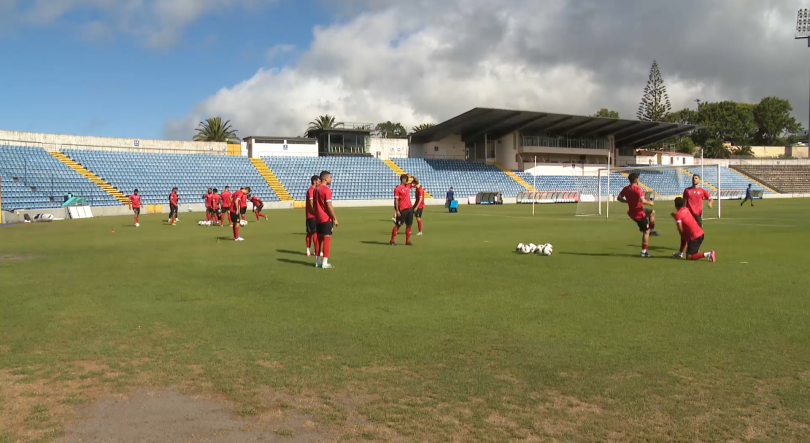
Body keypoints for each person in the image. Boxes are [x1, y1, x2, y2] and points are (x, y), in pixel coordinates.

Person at [617, 173, 657, 257]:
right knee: (646, 231)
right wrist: (650, 202)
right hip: (639, 214)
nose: (639, 180)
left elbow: (619, 198)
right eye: (638, 178)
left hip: (633, 211)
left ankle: (652, 231)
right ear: (636, 180)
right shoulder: (638, 189)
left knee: (652, 212)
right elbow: (643, 201)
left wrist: (627, 201)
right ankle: (643, 252)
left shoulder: (626, 189)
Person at [674, 175, 714, 258]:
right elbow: (683, 202)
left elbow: (710, 198)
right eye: (693, 178)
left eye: (696, 178)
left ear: (699, 180)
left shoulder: (702, 191)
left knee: (697, 234)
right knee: (684, 234)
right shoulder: (687, 190)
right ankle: (680, 252)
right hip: (688, 216)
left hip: (697, 215)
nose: (694, 180)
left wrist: (710, 203)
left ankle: (695, 250)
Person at [672, 197, 716, 262]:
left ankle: (709, 254)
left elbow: (679, 227)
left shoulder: (678, 214)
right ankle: (680, 253)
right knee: (684, 236)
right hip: (700, 234)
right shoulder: (686, 209)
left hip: (695, 237)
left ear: (675, 205)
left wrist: (682, 233)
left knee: (689, 257)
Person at [313, 171, 338, 269]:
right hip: (325, 218)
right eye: (330, 177)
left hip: (317, 218)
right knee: (327, 239)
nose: (331, 179)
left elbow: (314, 205)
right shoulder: (326, 190)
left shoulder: (316, 190)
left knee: (319, 240)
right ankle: (325, 262)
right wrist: (335, 218)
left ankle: (317, 261)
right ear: (326, 179)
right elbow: (329, 205)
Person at [391, 174, 414, 246]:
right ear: (403, 180)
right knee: (398, 224)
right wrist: (397, 210)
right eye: (406, 179)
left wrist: (413, 177)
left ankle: (407, 241)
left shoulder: (408, 186)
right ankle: (392, 241)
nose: (407, 180)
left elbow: (416, 182)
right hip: (402, 210)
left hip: (410, 209)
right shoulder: (397, 188)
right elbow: (396, 200)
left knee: (409, 225)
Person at [306, 175, 321, 256]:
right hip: (312, 215)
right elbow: (311, 202)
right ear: (314, 181)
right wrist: (315, 212)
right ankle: (317, 251)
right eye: (318, 181)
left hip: (309, 215)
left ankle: (308, 251)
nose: (319, 182)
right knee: (315, 232)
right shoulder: (311, 190)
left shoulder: (312, 190)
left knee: (310, 233)